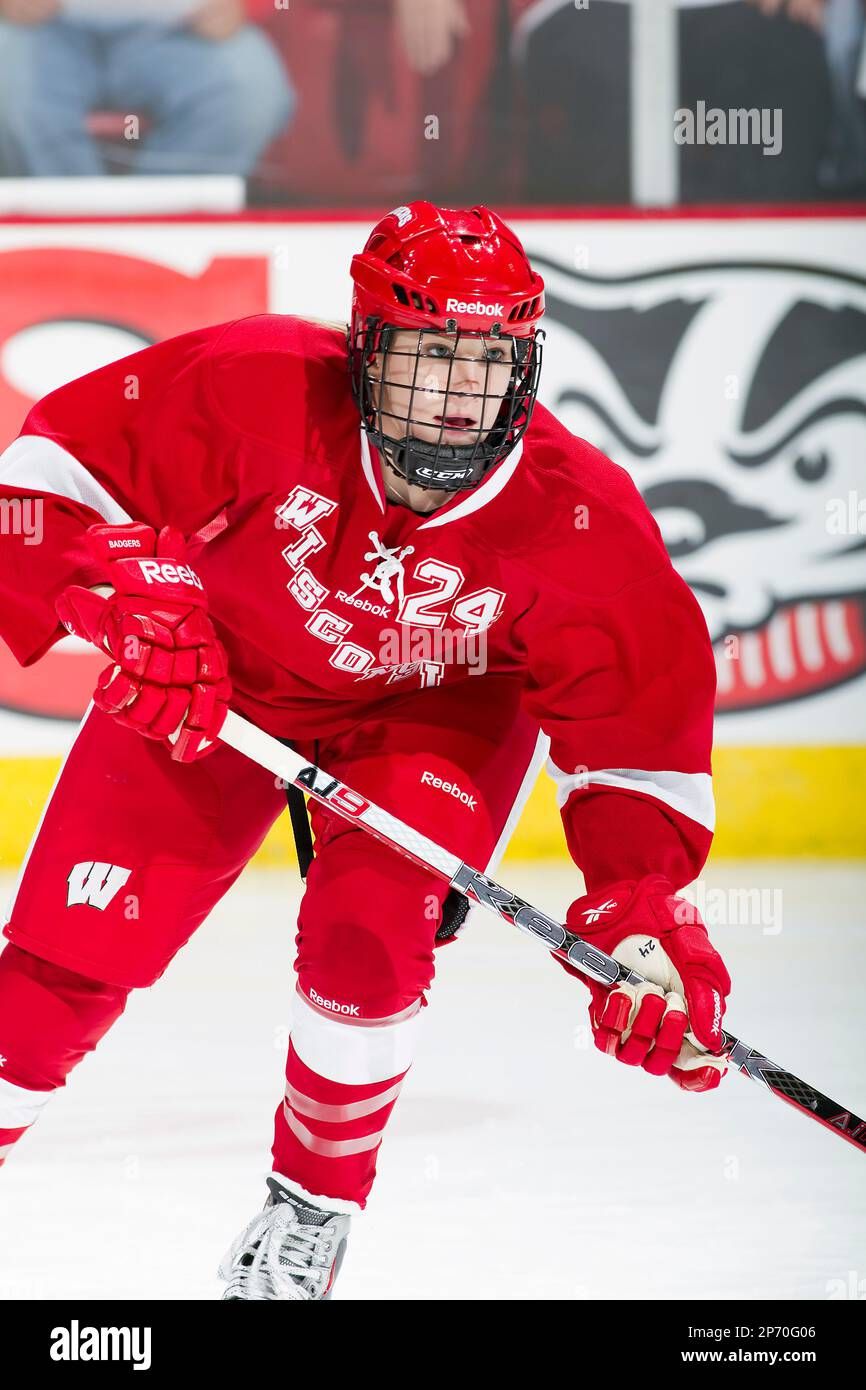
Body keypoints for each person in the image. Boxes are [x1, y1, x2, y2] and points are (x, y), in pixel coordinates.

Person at [0, 202, 730, 1301]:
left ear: (525, 365)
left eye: (483, 360)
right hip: (220, 679)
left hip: (435, 712)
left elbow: (635, 746)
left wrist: (642, 914)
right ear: (364, 346)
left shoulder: (582, 522)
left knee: (367, 939)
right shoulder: (255, 381)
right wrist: (111, 603)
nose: (451, 395)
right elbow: (36, 497)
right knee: (72, 945)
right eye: (428, 353)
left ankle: (311, 1211)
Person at [0, 0, 293, 178]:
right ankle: (71, 232)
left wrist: (246, 4)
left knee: (251, 87)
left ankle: (166, 229)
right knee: (8, 79)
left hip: (183, 29)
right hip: (37, 27)